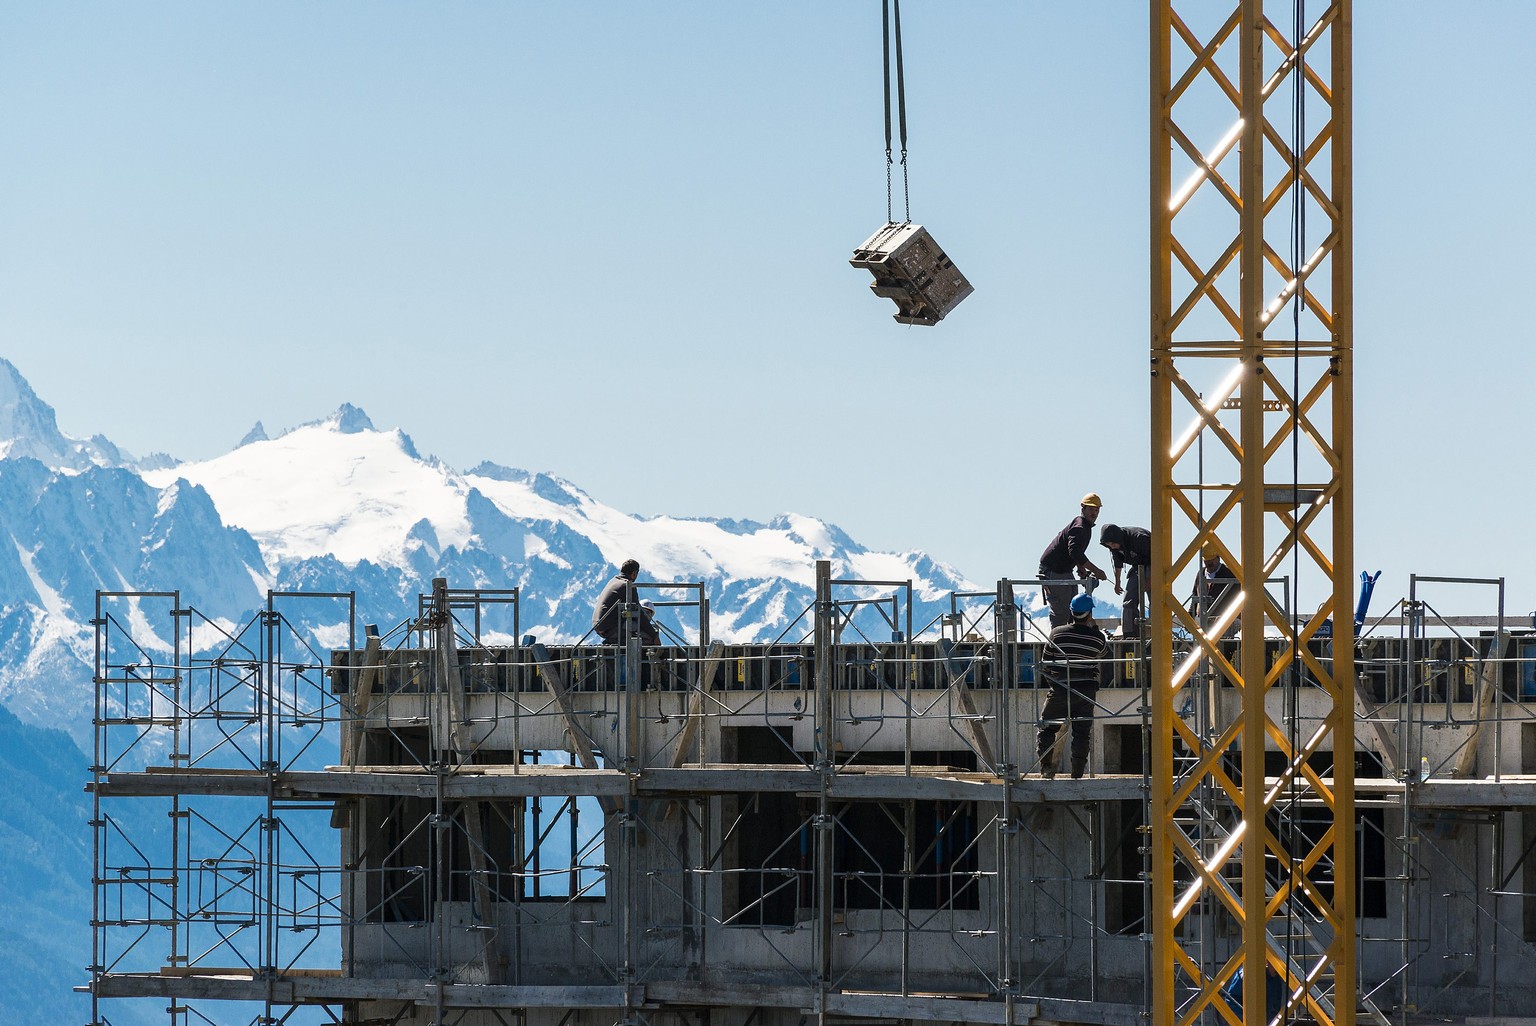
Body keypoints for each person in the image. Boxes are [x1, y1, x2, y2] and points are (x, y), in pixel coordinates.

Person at [1036, 592, 1109, 779]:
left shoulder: (1056, 634)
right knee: (1082, 733)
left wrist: (1056, 684)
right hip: (1086, 690)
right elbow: (1103, 655)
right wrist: (1094, 630)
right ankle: (1077, 773)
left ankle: (1045, 769)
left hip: (1061, 687)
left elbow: (1046, 663)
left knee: (1047, 728)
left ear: (1071, 611)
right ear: (1090, 613)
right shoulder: (1097, 638)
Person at [1038, 492, 1108, 626]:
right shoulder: (1080, 527)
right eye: (1091, 509)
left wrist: (1080, 568)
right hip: (1053, 570)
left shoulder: (1084, 526)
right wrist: (1096, 571)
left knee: (1073, 609)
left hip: (1063, 570)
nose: (1094, 513)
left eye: (1096, 509)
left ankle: (1067, 642)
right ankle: (1058, 643)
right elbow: (1075, 552)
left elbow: (1074, 552)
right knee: (1062, 612)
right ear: (1083, 508)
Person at [1098, 523, 1152, 637]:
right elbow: (1118, 564)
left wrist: (1149, 578)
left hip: (1154, 564)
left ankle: (1157, 631)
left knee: (1155, 600)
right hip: (1137, 567)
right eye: (1109, 545)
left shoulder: (1139, 537)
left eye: (1113, 543)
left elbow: (1156, 556)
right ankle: (1130, 634)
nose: (1112, 546)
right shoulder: (1113, 546)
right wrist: (1118, 583)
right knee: (1128, 601)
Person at [1194, 542, 1239, 636]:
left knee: (1221, 646)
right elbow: (1195, 596)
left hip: (1224, 621)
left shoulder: (1229, 573)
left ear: (1218, 557)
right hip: (1204, 622)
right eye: (1206, 561)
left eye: (1211, 560)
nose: (1209, 563)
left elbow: (1240, 597)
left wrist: (1237, 618)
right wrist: (1190, 616)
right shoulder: (1201, 573)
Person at [591, 559, 642, 644]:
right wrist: (653, 634)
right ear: (634, 573)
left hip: (598, 625)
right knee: (639, 628)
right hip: (609, 626)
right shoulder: (627, 585)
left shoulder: (613, 581)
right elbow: (639, 612)